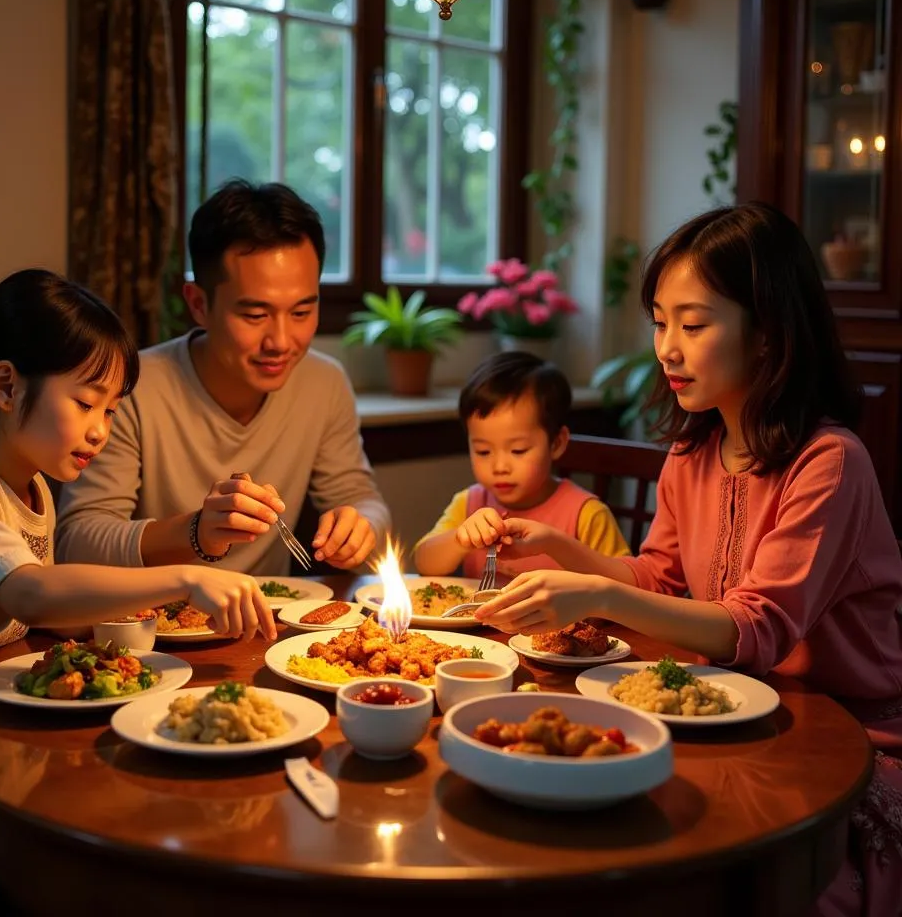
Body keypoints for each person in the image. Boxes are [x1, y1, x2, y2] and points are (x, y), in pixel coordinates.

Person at [474, 203, 902, 917]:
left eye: (693, 325)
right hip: (734, 718)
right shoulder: (691, 452)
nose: (667, 348)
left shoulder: (829, 464)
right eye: (660, 321)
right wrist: (557, 547)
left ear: (767, 332)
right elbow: (660, 579)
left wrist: (592, 597)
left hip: (844, 742)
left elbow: (755, 629)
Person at [0, 269, 276, 915]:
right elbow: (29, 595)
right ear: (6, 386)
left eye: (112, 409)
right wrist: (185, 575)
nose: (101, 428)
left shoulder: (30, 487)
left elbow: (41, 610)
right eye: (86, 402)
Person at [55, 179, 389, 576]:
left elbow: (363, 501)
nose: (281, 342)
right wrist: (195, 531)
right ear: (198, 304)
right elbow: (77, 542)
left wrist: (360, 530)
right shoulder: (130, 388)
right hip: (153, 626)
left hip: (270, 622)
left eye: (301, 312)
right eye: (254, 315)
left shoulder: (324, 383)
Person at [412, 351, 629, 580]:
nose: (500, 466)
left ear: (556, 443)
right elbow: (424, 563)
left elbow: (625, 588)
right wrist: (460, 538)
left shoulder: (586, 514)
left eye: (518, 450)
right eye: (483, 451)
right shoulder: (469, 503)